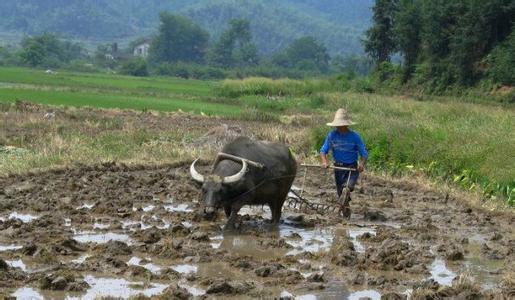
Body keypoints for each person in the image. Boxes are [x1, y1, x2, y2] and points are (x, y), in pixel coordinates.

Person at [320, 108, 368, 207]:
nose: (339, 127)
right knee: (340, 193)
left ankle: (346, 191)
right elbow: (323, 151)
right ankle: (346, 210)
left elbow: (364, 154)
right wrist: (325, 162)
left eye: (341, 125)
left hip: (352, 168)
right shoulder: (332, 135)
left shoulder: (355, 137)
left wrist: (362, 164)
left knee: (347, 187)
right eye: (338, 125)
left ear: (346, 124)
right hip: (338, 167)